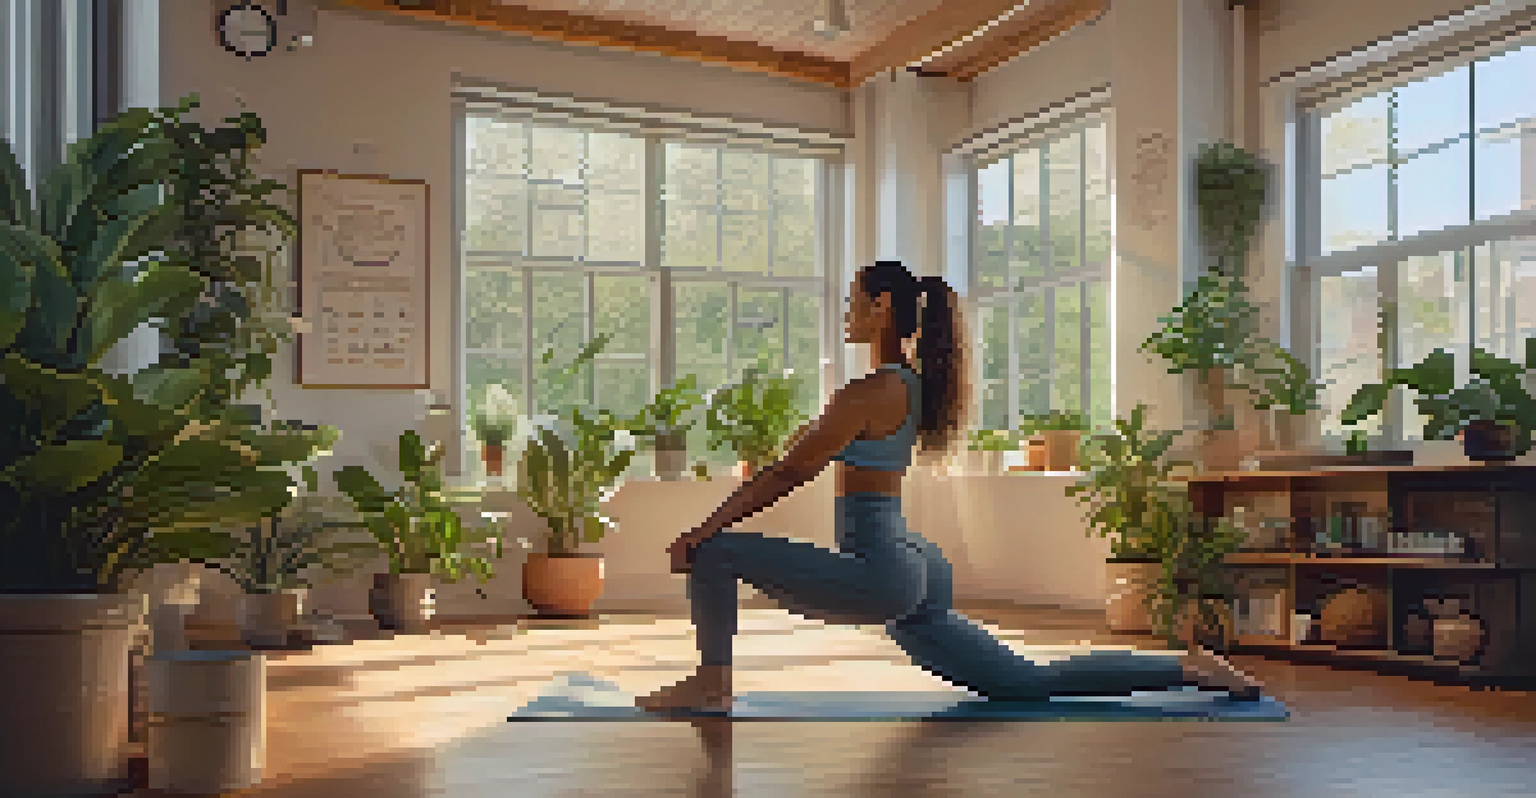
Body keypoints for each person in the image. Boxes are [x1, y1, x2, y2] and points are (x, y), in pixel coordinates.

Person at [637, 260, 1263, 713]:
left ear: (882, 305)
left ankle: (712, 681)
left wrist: (702, 528)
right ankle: (1189, 668)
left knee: (716, 553)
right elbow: (802, 460)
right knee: (1025, 683)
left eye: (855, 300)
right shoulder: (909, 387)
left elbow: (784, 474)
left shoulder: (868, 391)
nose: (848, 312)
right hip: (914, 562)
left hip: (879, 567)